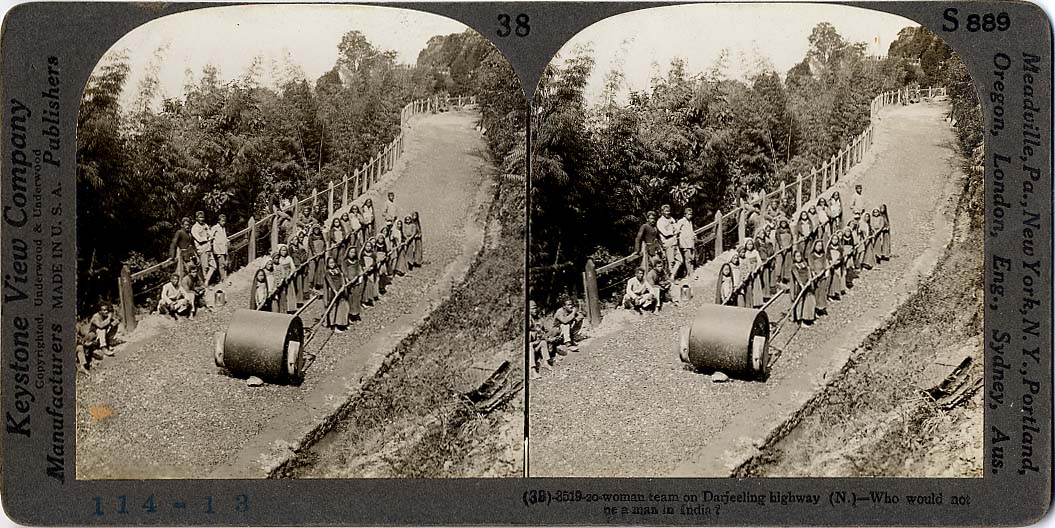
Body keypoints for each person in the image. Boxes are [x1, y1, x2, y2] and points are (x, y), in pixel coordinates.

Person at [323, 257, 349, 333]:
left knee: (342, 307)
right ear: (328, 264)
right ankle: (333, 326)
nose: (332, 264)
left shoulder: (338, 270)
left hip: (341, 291)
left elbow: (342, 278)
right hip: (333, 292)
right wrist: (334, 290)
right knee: (333, 309)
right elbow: (330, 282)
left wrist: (343, 286)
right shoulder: (327, 273)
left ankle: (342, 323)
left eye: (333, 262)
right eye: (330, 263)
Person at [790, 250, 815, 327]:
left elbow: (808, 272)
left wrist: (810, 280)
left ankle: (809, 318)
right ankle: (800, 321)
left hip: (807, 284)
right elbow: (797, 276)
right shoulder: (794, 266)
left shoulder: (804, 264)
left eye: (800, 256)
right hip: (799, 286)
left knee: (808, 301)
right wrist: (801, 284)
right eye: (797, 256)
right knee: (800, 303)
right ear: (794, 257)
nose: (799, 258)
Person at [191, 210, 216, 285]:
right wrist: (207, 238)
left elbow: (211, 234)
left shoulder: (205, 225)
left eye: (202, 217)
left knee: (214, 266)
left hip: (208, 248)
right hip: (202, 250)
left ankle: (207, 281)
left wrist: (209, 237)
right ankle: (206, 284)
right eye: (200, 217)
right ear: (196, 218)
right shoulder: (195, 228)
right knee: (205, 268)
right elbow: (199, 239)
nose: (201, 219)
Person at [341, 245, 364, 322]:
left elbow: (359, 270)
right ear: (348, 253)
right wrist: (347, 280)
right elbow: (344, 272)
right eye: (351, 252)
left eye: (354, 252)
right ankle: (350, 315)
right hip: (349, 283)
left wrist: (359, 277)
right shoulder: (345, 262)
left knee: (356, 298)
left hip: (356, 282)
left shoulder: (357, 261)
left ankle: (356, 313)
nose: (352, 254)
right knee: (350, 299)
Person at [656, 204, 681, 277]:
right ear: (662, 212)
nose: (668, 213)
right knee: (671, 262)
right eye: (666, 211)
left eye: (668, 211)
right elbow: (665, 233)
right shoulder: (660, 221)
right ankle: (671, 278)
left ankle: (672, 274)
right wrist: (673, 232)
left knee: (680, 260)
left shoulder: (671, 218)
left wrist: (675, 231)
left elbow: (677, 228)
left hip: (674, 242)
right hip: (668, 243)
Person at [807, 239, 829, 317]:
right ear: (815, 246)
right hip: (815, 276)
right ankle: (815, 309)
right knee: (816, 292)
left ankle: (821, 307)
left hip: (822, 275)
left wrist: (826, 272)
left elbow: (825, 264)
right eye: (818, 245)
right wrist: (814, 274)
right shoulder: (812, 255)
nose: (819, 247)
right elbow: (811, 266)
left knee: (822, 292)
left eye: (821, 246)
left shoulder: (823, 255)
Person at [675, 208, 696, 279]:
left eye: (691, 214)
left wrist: (694, 235)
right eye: (688, 214)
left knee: (692, 258)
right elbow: (677, 230)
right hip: (685, 243)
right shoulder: (681, 221)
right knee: (687, 259)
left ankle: (691, 272)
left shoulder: (690, 222)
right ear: (685, 214)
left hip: (691, 243)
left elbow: (691, 231)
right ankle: (689, 273)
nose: (690, 216)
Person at [743, 239, 764, 307]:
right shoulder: (745, 253)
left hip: (755, 270)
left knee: (756, 286)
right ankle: (750, 302)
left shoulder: (755, 252)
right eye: (748, 244)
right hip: (748, 271)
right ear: (746, 245)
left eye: (751, 244)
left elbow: (759, 261)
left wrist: (756, 269)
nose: (750, 246)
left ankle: (757, 302)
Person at [278, 244, 298, 312]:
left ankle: (291, 308)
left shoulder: (289, 258)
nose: (284, 252)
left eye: (285, 250)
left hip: (288, 276)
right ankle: (283, 308)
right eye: (282, 250)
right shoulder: (279, 259)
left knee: (290, 292)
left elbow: (293, 268)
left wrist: (290, 275)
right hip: (281, 277)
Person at [210, 213, 229, 283]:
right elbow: (210, 236)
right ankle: (223, 279)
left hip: (224, 248)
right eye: (222, 220)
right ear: (219, 221)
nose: (224, 222)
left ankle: (224, 278)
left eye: (224, 221)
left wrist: (227, 240)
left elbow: (224, 237)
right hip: (218, 249)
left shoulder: (223, 228)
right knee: (221, 264)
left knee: (225, 264)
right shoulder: (215, 227)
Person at [775, 219, 794, 286]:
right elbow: (778, 238)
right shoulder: (778, 230)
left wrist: (790, 245)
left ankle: (786, 277)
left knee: (787, 262)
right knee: (780, 262)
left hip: (788, 248)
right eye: (782, 223)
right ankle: (778, 277)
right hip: (781, 248)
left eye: (784, 223)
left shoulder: (789, 230)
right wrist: (781, 246)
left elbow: (792, 238)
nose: (783, 224)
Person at [827, 236, 846, 300]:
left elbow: (841, 256)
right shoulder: (829, 248)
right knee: (831, 278)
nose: (835, 241)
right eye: (833, 239)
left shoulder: (840, 248)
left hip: (838, 266)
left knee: (837, 278)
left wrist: (838, 261)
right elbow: (828, 256)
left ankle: (836, 292)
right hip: (831, 265)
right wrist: (830, 262)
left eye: (836, 239)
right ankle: (830, 294)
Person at [362, 240, 380, 305]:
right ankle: (364, 300)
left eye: (369, 246)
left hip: (371, 272)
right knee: (365, 285)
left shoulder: (373, 254)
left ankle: (371, 298)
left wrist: (372, 267)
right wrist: (364, 267)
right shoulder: (362, 254)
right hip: (364, 271)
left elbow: (375, 262)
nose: (368, 247)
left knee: (371, 284)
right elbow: (361, 262)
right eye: (367, 246)